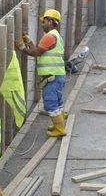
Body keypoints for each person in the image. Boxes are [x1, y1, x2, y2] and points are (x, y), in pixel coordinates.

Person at [15, 9, 67, 137]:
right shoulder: (56, 36)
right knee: (57, 101)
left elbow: (36, 53)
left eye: (44, 22)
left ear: (50, 21)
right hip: (57, 75)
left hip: (52, 77)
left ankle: (60, 129)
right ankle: (58, 124)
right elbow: (39, 50)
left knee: (50, 102)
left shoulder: (49, 36)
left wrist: (22, 48)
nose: (42, 24)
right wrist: (29, 42)